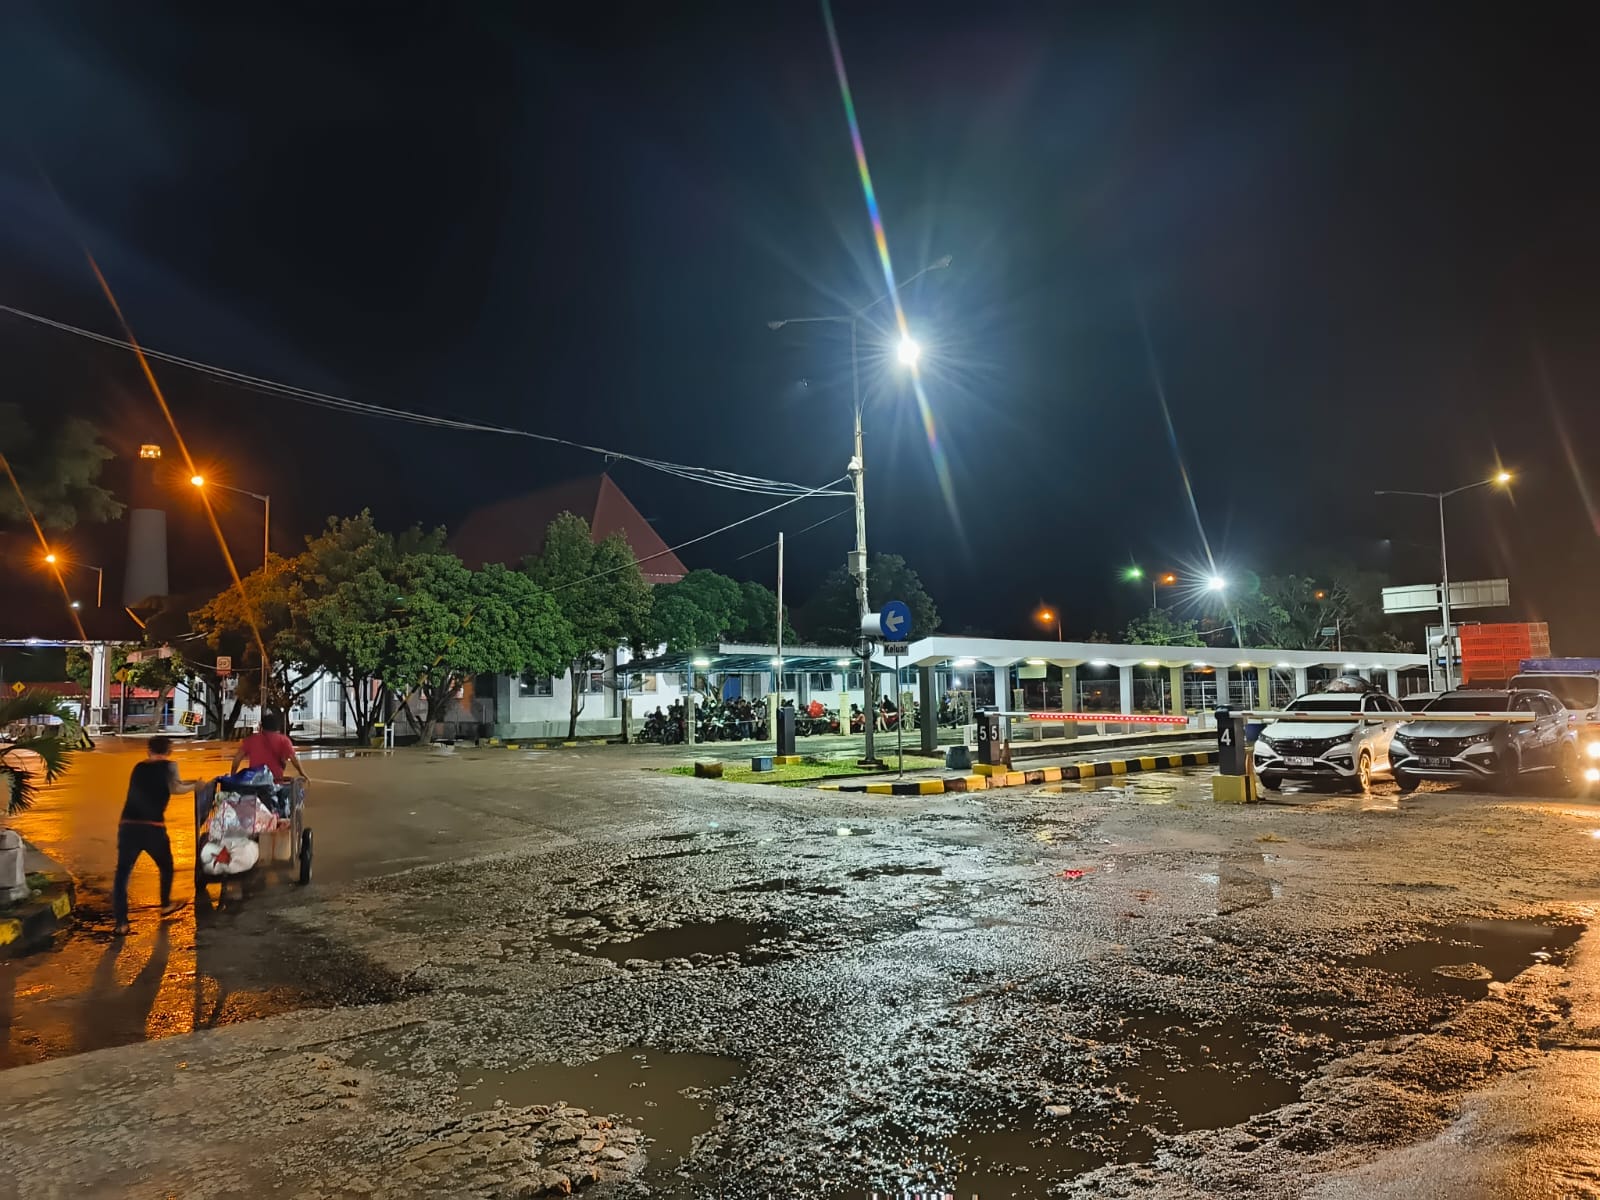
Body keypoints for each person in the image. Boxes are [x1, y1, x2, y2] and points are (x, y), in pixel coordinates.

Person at [112, 735, 200, 935]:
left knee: (122, 875)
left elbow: (166, 783)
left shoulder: (139, 767)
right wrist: (196, 786)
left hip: (128, 826)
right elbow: (175, 787)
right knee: (166, 866)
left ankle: (121, 923)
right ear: (168, 751)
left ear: (148, 751)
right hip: (153, 827)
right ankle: (166, 904)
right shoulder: (170, 766)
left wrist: (191, 781)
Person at [231, 713, 309, 783]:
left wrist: (233, 775)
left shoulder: (251, 740)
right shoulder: (284, 740)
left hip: (255, 781)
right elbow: (294, 759)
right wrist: (302, 773)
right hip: (276, 780)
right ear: (277, 726)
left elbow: (237, 758)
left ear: (262, 726)